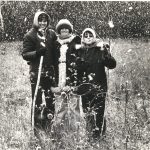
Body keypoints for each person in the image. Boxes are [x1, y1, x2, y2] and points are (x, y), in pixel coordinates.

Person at [77, 28, 116, 142]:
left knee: (99, 112)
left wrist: (107, 54)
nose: (88, 38)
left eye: (90, 36)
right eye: (86, 36)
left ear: (94, 37)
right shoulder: (80, 51)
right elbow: (77, 68)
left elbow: (112, 65)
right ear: (83, 38)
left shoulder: (100, 49)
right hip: (85, 87)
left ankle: (100, 135)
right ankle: (90, 135)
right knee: (88, 112)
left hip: (99, 86)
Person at [22, 10, 57, 134]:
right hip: (36, 73)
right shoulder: (30, 35)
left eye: (45, 20)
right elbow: (25, 54)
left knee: (50, 99)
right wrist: (37, 53)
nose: (43, 23)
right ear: (36, 21)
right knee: (37, 100)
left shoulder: (51, 34)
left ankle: (48, 125)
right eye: (40, 20)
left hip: (49, 72)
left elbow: (56, 50)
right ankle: (37, 127)